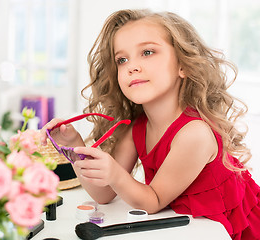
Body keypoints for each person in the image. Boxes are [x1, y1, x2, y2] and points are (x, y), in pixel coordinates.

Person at [40, 9, 260, 240]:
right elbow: (103, 194)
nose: (131, 66)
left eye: (147, 52)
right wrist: (74, 145)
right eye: (122, 59)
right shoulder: (137, 127)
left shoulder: (195, 134)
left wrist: (115, 173)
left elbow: (153, 201)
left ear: (182, 66)